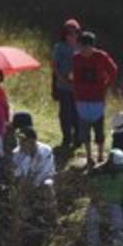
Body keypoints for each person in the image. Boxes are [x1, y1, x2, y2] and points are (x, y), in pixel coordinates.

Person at [72, 32, 118, 165]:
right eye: (81, 47)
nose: (83, 51)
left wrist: (107, 85)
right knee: (84, 130)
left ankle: (100, 155)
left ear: (91, 46)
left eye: (86, 48)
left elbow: (114, 70)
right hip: (81, 99)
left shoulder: (101, 56)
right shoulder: (76, 58)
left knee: (99, 129)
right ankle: (88, 156)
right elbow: (73, 76)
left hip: (97, 99)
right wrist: (75, 91)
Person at [85, 149, 123, 246]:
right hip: (97, 202)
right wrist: (98, 203)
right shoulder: (97, 171)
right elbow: (91, 189)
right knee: (92, 222)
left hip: (116, 203)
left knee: (117, 225)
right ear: (110, 163)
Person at [50, 19, 81, 150]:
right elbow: (54, 65)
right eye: (69, 33)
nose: (72, 35)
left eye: (74, 32)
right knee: (65, 113)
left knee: (77, 113)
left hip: (78, 87)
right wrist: (60, 78)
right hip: (63, 85)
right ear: (65, 34)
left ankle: (78, 138)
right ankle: (66, 138)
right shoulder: (59, 47)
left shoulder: (80, 47)